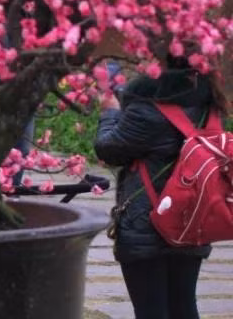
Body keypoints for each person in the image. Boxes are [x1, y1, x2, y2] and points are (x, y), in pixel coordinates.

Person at [94, 55, 227, 319]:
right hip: (191, 220)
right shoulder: (209, 103)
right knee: (184, 306)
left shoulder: (146, 110)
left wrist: (109, 112)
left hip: (147, 226)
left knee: (151, 311)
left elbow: (108, 150)